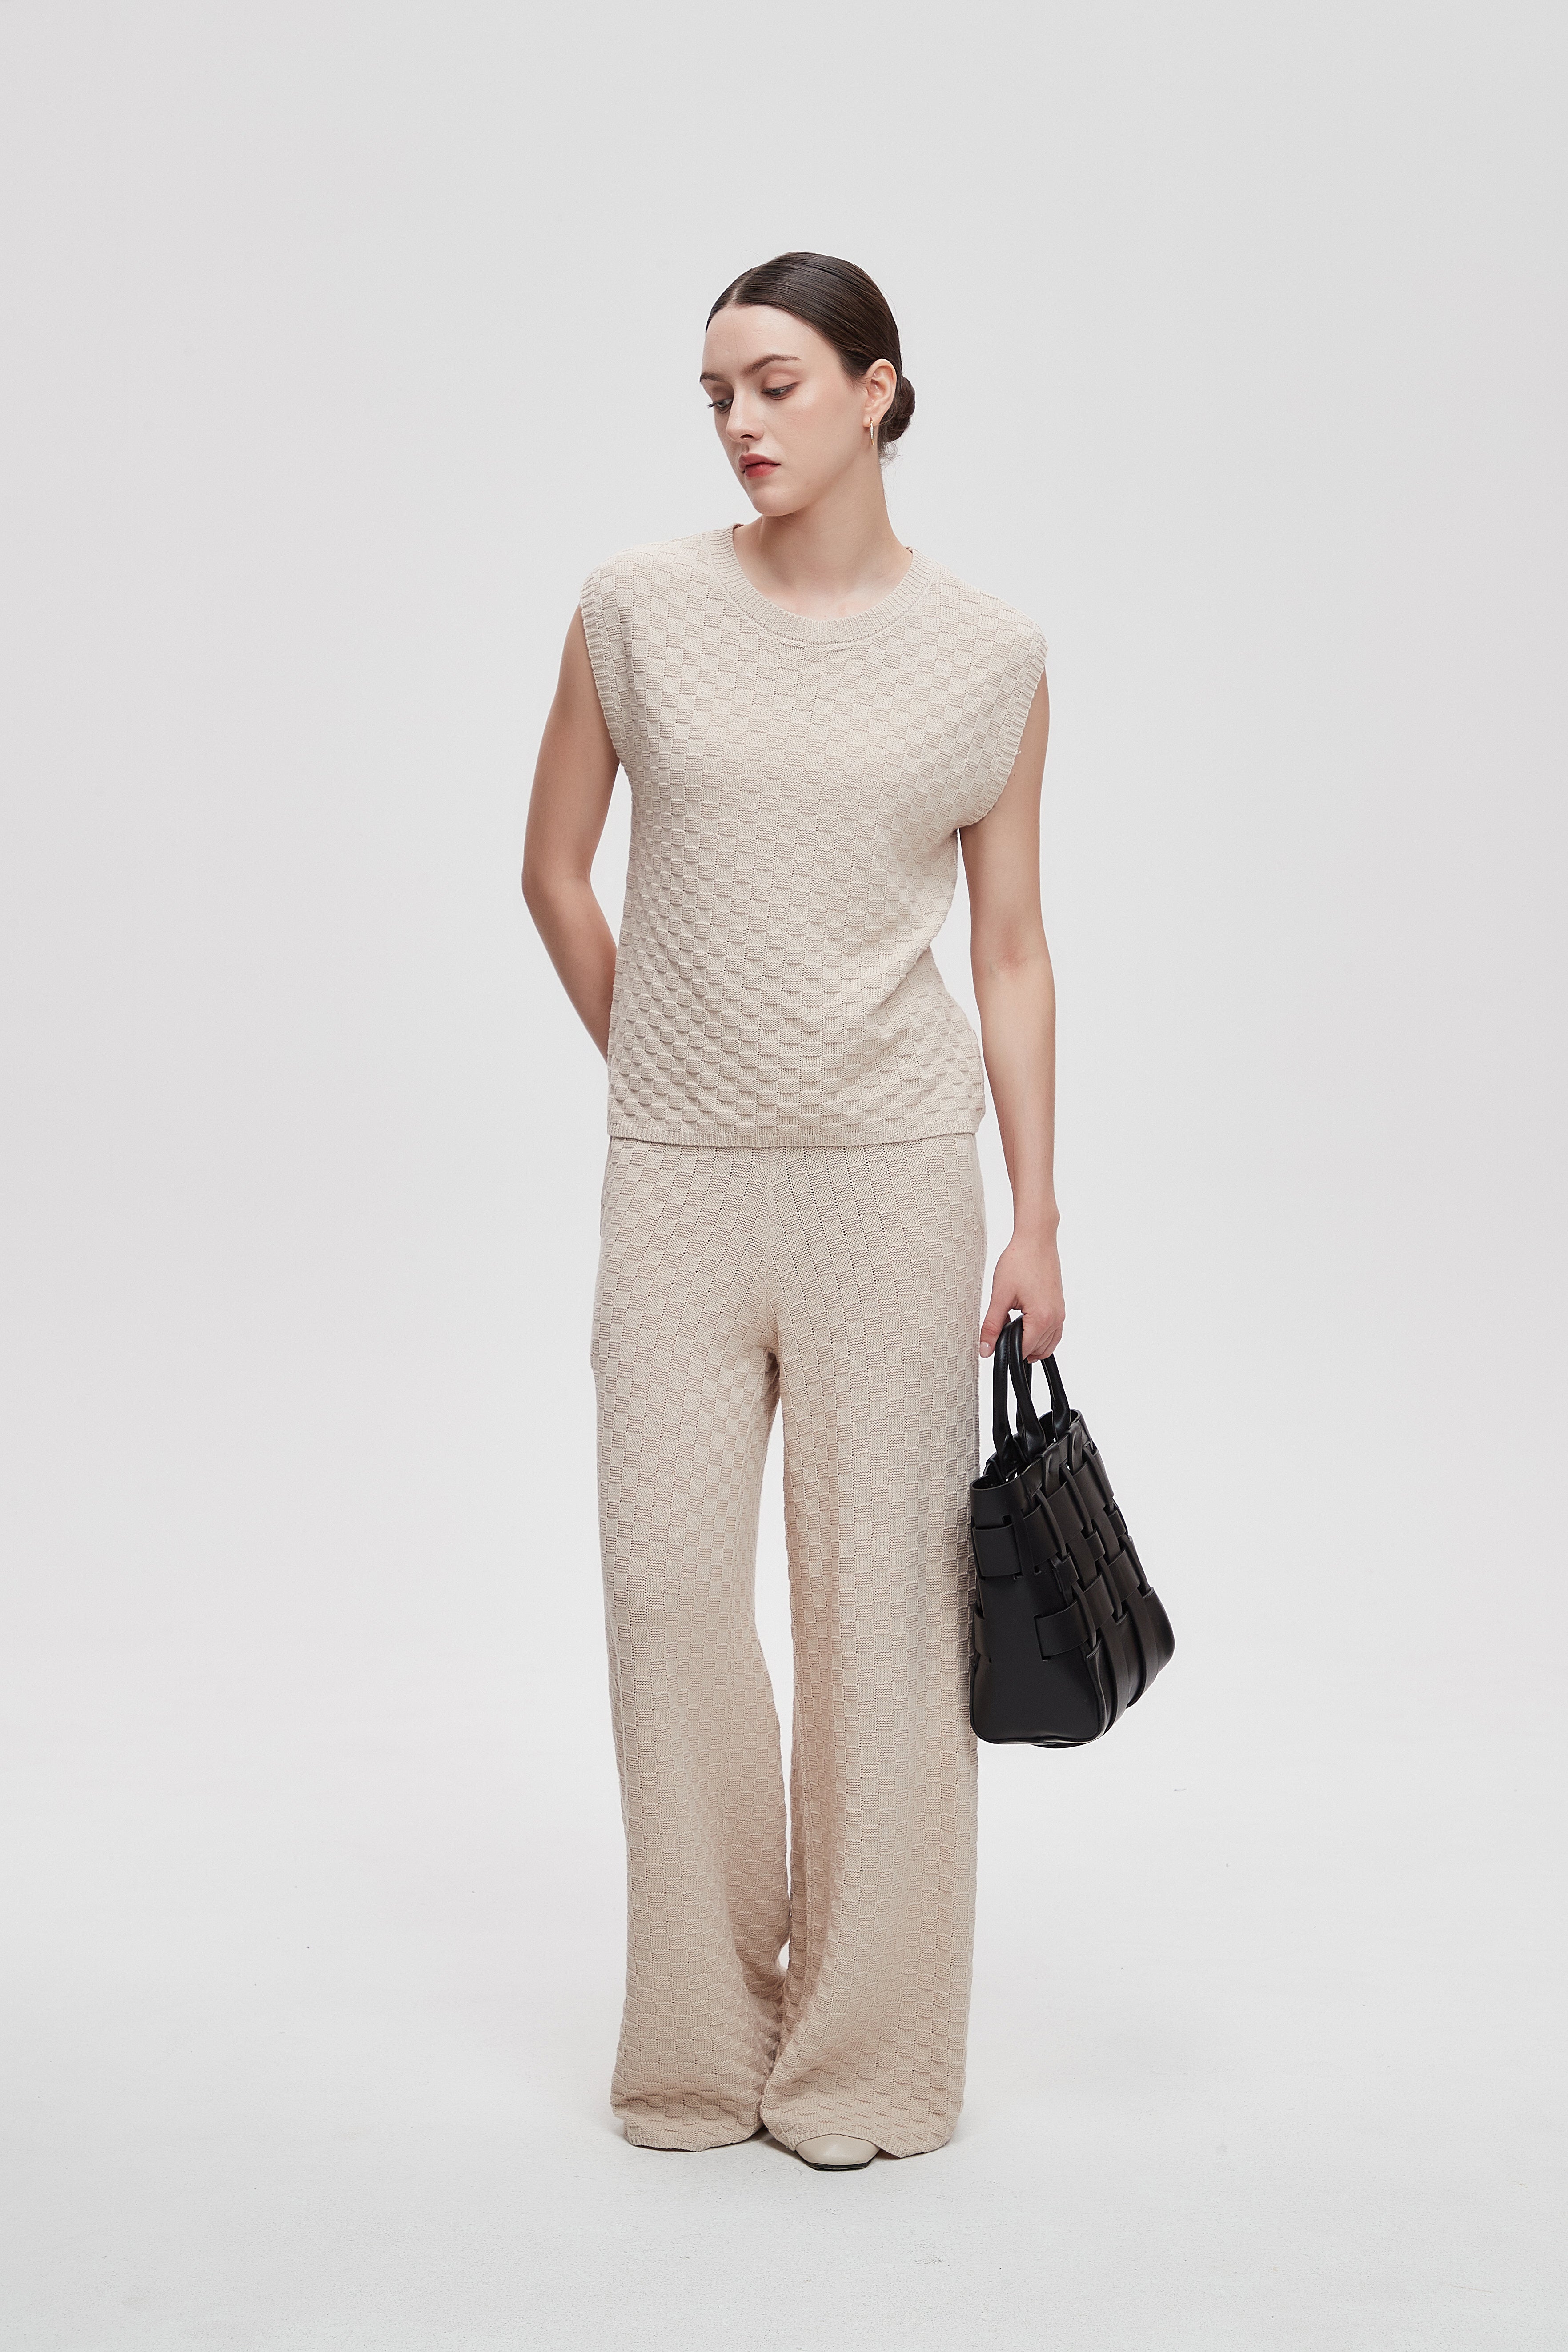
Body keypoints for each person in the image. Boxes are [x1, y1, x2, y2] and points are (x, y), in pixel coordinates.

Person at [522, 252, 1063, 2171]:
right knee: (664, 1596)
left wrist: (1038, 1215)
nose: (740, 422)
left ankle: (867, 2058)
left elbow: (1011, 948)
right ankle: (699, 2032)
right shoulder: (636, 610)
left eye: (774, 383)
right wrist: (661, 1058)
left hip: (893, 1181)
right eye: (715, 395)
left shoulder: (990, 655)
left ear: (876, 389)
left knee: (884, 1627)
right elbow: (555, 870)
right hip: (678, 1180)